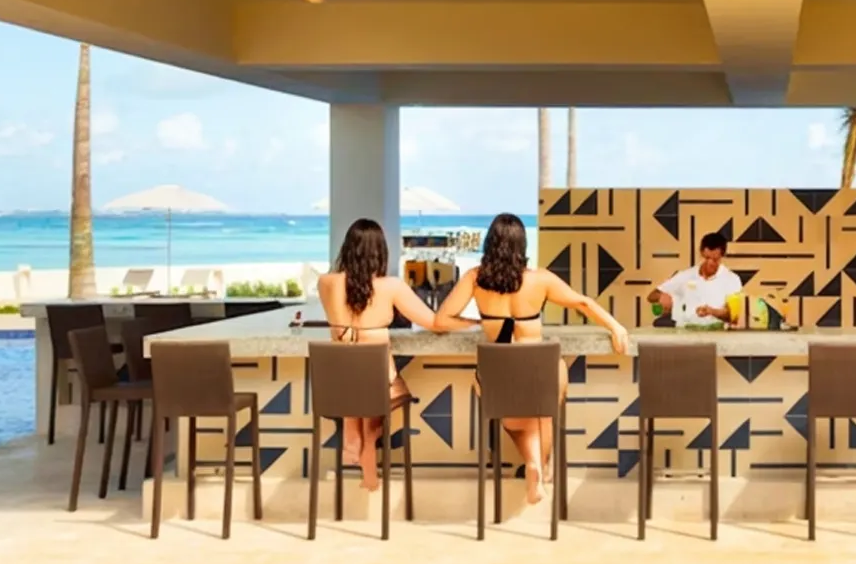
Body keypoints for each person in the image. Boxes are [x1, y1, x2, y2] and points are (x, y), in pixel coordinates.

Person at [435, 213, 630, 505]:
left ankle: (534, 462)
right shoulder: (540, 280)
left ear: (490, 243)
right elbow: (582, 302)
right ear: (522, 245)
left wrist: (477, 324)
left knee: (514, 421)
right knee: (544, 413)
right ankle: (541, 465)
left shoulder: (474, 278)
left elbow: (441, 320)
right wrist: (615, 326)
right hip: (541, 369)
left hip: (499, 370)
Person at [318, 218, 449, 492]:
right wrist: (469, 321)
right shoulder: (391, 286)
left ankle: (353, 434)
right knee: (383, 392)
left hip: (336, 382)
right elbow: (434, 323)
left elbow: (349, 302)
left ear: (347, 249)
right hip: (377, 381)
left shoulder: (326, 282)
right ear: (380, 252)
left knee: (358, 376)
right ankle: (365, 440)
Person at [649, 231, 743, 326]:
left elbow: (733, 317)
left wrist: (712, 312)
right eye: (707, 258)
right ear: (701, 252)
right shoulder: (685, 275)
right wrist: (662, 296)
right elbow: (652, 296)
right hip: (685, 334)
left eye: (715, 259)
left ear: (722, 255)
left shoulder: (732, 279)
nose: (710, 263)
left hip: (717, 335)